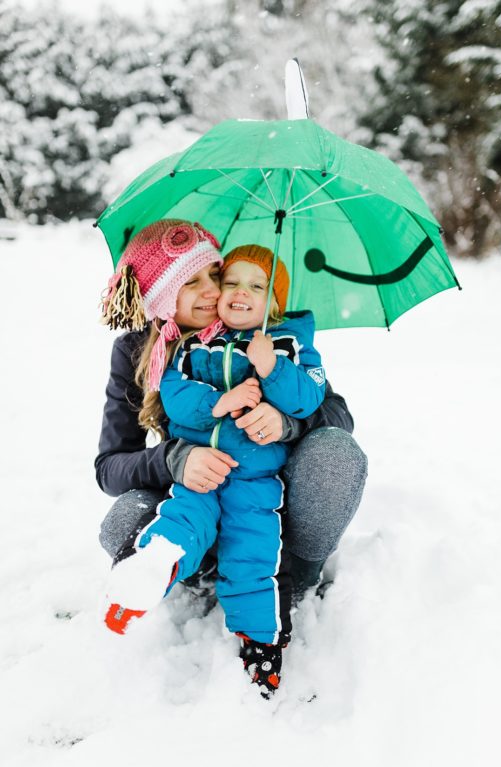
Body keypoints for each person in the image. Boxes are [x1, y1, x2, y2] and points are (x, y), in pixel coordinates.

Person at [94, 222, 366, 681]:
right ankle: (178, 567)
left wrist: (286, 423)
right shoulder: (142, 352)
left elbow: (333, 411)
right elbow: (109, 468)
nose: (212, 292)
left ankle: (291, 574)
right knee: (124, 519)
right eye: (189, 282)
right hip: (195, 485)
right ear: (162, 296)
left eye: (214, 275)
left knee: (335, 453)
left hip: (261, 487)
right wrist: (174, 459)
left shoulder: (263, 332)